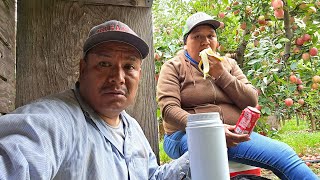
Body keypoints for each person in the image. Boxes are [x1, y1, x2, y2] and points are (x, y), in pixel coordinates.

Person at [0, 20, 191, 179]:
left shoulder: (132, 128)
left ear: (139, 74)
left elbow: (151, 176)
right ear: (83, 70)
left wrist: (201, 151)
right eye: (105, 64)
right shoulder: (53, 122)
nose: (118, 77)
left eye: (129, 66)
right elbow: (17, 159)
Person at [157, 12, 318, 180]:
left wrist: (221, 74)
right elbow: (169, 109)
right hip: (182, 135)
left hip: (234, 132)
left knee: (284, 155)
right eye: (197, 36)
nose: (205, 41)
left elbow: (251, 100)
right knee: (281, 156)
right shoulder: (173, 66)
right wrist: (211, 131)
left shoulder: (228, 64)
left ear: (216, 42)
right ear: (185, 43)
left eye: (210, 36)